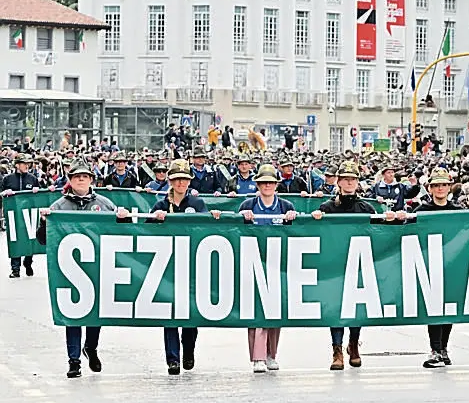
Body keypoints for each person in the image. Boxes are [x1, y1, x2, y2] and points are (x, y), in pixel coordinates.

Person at [36, 159, 130, 378]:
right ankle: (74, 360)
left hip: (99, 267)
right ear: (70, 180)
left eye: (85, 176)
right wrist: (43, 222)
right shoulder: (58, 206)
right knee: (73, 314)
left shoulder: (105, 204)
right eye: (77, 176)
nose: (81, 179)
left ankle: (91, 347)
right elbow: (42, 240)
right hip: (69, 270)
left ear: (91, 180)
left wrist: (123, 219)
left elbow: (123, 235)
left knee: (96, 313)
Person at [406, 168, 469, 368]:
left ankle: (443, 348)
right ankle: (435, 349)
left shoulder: (457, 210)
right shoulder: (421, 211)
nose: (440, 188)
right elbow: (406, 230)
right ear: (430, 188)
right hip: (429, 265)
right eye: (436, 185)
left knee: (448, 307)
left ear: (449, 188)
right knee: (433, 308)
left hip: (452, 263)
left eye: (443, 185)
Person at [148, 159, 222, 375]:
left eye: (185, 179)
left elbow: (207, 228)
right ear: (170, 181)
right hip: (168, 267)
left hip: (192, 265)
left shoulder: (197, 204)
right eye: (177, 179)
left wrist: (214, 218)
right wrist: (155, 220)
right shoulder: (161, 204)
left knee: (190, 313)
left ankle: (188, 350)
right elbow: (145, 233)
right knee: (169, 313)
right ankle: (172, 358)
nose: (181, 183)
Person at [311, 161, 382, 370]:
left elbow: (379, 231)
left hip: (359, 264)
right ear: (339, 182)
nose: (349, 182)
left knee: (357, 306)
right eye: (345, 179)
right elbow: (317, 231)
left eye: (353, 179)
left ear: (357, 182)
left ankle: (354, 343)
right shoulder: (328, 207)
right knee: (336, 307)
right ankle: (337, 349)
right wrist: (316, 218)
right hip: (335, 263)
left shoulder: (366, 208)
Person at [238, 164, 297, 373]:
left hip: (278, 265)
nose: (267, 186)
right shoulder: (248, 204)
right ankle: (257, 357)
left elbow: (295, 233)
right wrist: (243, 218)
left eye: (271, 182)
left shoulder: (285, 205)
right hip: (253, 263)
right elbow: (235, 231)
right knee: (256, 312)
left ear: (276, 185)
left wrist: (292, 219)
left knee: (275, 311)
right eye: (263, 183)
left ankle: (272, 354)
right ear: (258, 185)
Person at [2, 154, 40, 278]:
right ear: (17, 165)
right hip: (14, 215)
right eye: (24, 163)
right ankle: (15, 269)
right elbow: (1, 193)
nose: (27, 166)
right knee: (15, 239)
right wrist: (4, 193)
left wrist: (36, 191)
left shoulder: (33, 178)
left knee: (30, 239)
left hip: (29, 214)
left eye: (28, 163)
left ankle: (28, 262)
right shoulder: (7, 179)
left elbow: (41, 194)